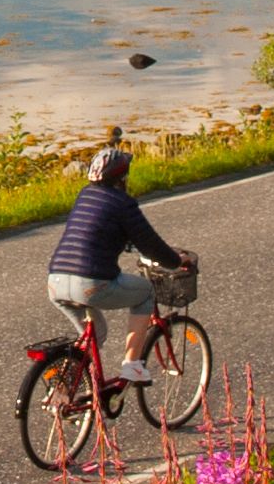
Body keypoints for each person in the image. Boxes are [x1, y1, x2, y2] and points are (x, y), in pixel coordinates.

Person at [47, 141, 185, 384]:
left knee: (95, 335)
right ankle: (132, 365)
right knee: (145, 293)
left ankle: (65, 388)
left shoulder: (85, 195)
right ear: (122, 178)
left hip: (56, 282)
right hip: (90, 284)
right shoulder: (123, 203)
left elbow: (98, 231)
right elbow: (150, 244)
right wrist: (176, 261)